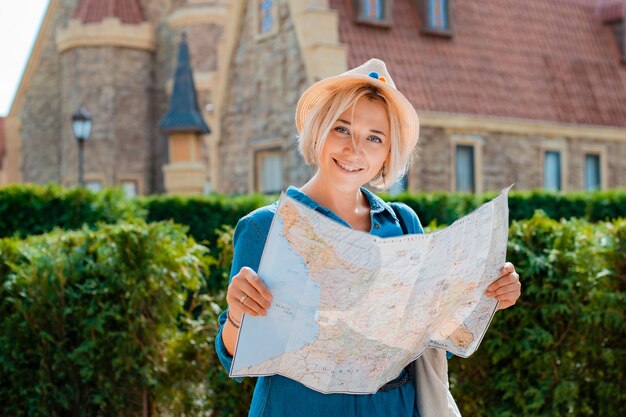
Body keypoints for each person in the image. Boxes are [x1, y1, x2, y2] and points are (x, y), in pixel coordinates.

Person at [215, 58, 522, 417]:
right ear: (318, 131)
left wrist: (487, 296)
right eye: (341, 129)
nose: (354, 149)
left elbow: (431, 338)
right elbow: (234, 355)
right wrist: (238, 313)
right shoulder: (264, 228)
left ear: (387, 155)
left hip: (393, 407)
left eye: (374, 138)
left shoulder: (404, 223)